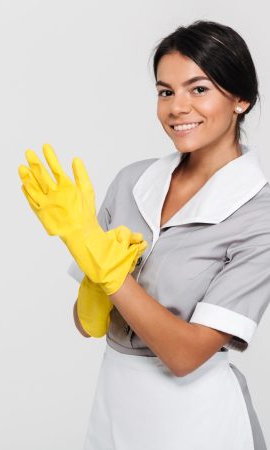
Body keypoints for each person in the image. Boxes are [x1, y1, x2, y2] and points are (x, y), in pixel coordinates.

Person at [68, 20, 270, 449]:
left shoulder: (259, 215)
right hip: (114, 399)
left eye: (199, 89)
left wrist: (111, 276)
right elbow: (87, 326)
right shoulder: (132, 181)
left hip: (196, 417)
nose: (177, 107)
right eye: (165, 91)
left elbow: (185, 355)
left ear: (241, 100)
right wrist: (88, 277)